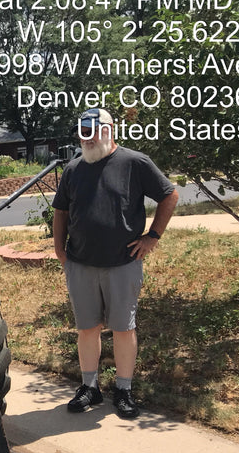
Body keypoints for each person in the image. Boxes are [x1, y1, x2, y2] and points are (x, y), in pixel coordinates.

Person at [52, 108, 179, 419]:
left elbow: (170, 195)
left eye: (93, 130)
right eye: (83, 131)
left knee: (123, 328)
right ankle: (90, 387)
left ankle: (123, 390)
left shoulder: (134, 162)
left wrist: (153, 237)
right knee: (87, 328)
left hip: (123, 263)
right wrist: (59, 249)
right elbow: (61, 212)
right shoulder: (73, 169)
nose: (88, 137)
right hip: (80, 264)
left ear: (109, 130)